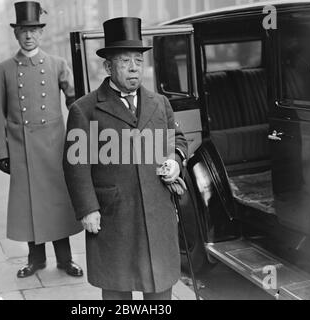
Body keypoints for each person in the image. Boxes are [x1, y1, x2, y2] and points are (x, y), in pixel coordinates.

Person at [63, 17, 188, 300]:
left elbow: (176, 141)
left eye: (137, 61)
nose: (133, 68)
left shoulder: (160, 103)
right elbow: (75, 165)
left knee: (159, 288)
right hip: (114, 215)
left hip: (157, 211)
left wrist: (174, 161)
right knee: (117, 288)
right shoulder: (85, 109)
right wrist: (87, 209)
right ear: (108, 67)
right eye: (124, 61)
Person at [0, 1, 83, 279]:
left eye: (33, 30)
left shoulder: (57, 64)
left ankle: (65, 259)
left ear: (41, 33)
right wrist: (1, 152)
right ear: (15, 34)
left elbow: (76, 103)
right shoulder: (3, 69)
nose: (28, 35)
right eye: (22, 30)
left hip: (54, 146)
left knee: (58, 203)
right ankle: (36, 259)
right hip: (23, 148)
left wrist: (82, 136)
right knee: (29, 205)